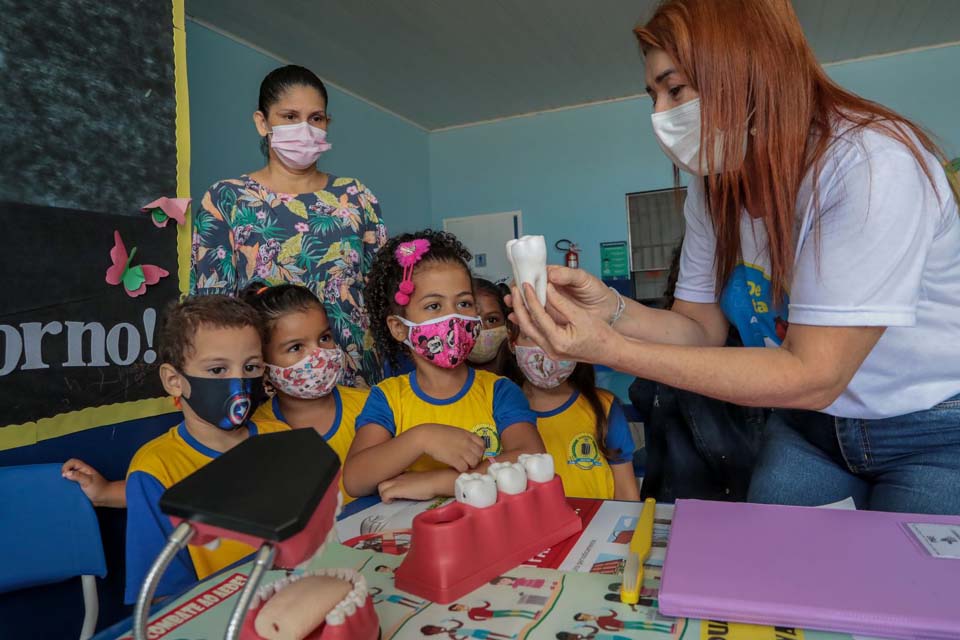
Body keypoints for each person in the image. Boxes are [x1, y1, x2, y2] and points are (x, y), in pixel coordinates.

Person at [510, 0, 960, 514]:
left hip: (932, 426)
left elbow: (814, 374)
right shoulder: (713, 187)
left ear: (748, 72)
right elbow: (697, 328)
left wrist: (611, 350)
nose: (659, 116)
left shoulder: (869, 165)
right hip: (810, 425)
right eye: (653, 95)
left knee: (910, 566)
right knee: (772, 557)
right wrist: (609, 308)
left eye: (675, 89)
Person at [191, 64, 387, 387]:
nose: (305, 128)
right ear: (262, 122)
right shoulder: (227, 199)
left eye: (316, 118)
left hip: (355, 379)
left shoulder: (356, 197)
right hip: (269, 384)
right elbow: (212, 312)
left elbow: (382, 294)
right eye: (290, 116)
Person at [343, 230, 544, 502]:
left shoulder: (499, 392)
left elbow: (532, 458)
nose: (453, 316)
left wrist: (443, 482)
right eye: (434, 306)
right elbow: (355, 480)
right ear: (399, 328)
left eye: (464, 303)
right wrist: (421, 438)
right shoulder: (388, 398)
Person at [123, 296, 288, 603]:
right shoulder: (155, 469)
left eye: (250, 367)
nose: (238, 382)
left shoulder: (282, 438)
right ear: (174, 381)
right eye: (217, 370)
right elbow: (163, 598)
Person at [242, 283, 367, 503]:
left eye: (324, 338)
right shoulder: (258, 435)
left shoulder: (371, 406)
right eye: (296, 347)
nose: (318, 355)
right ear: (263, 363)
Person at [505, 324, 639, 501]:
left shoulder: (605, 407)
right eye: (530, 336)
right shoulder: (499, 407)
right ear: (512, 343)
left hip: (596, 519)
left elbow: (627, 494)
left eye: (558, 334)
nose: (545, 347)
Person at [467, 278, 511, 375]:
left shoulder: (525, 376)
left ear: (507, 323)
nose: (482, 329)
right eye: (471, 321)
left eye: (492, 320)